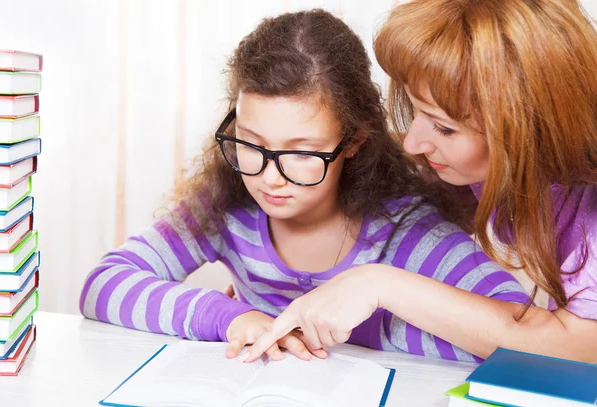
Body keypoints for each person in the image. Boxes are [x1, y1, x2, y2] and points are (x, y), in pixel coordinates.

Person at [79, 9, 529, 363]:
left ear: (352, 141)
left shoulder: (405, 232)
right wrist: (231, 318)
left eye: (302, 152)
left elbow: (518, 336)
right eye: (250, 143)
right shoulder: (226, 205)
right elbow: (103, 286)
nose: (269, 177)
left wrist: (373, 328)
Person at [245, 0, 597, 364]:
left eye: (444, 127)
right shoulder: (497, 167)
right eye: (415, 110)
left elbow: (580, 352)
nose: (413, 143)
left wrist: (379, 284)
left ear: (530, 128)